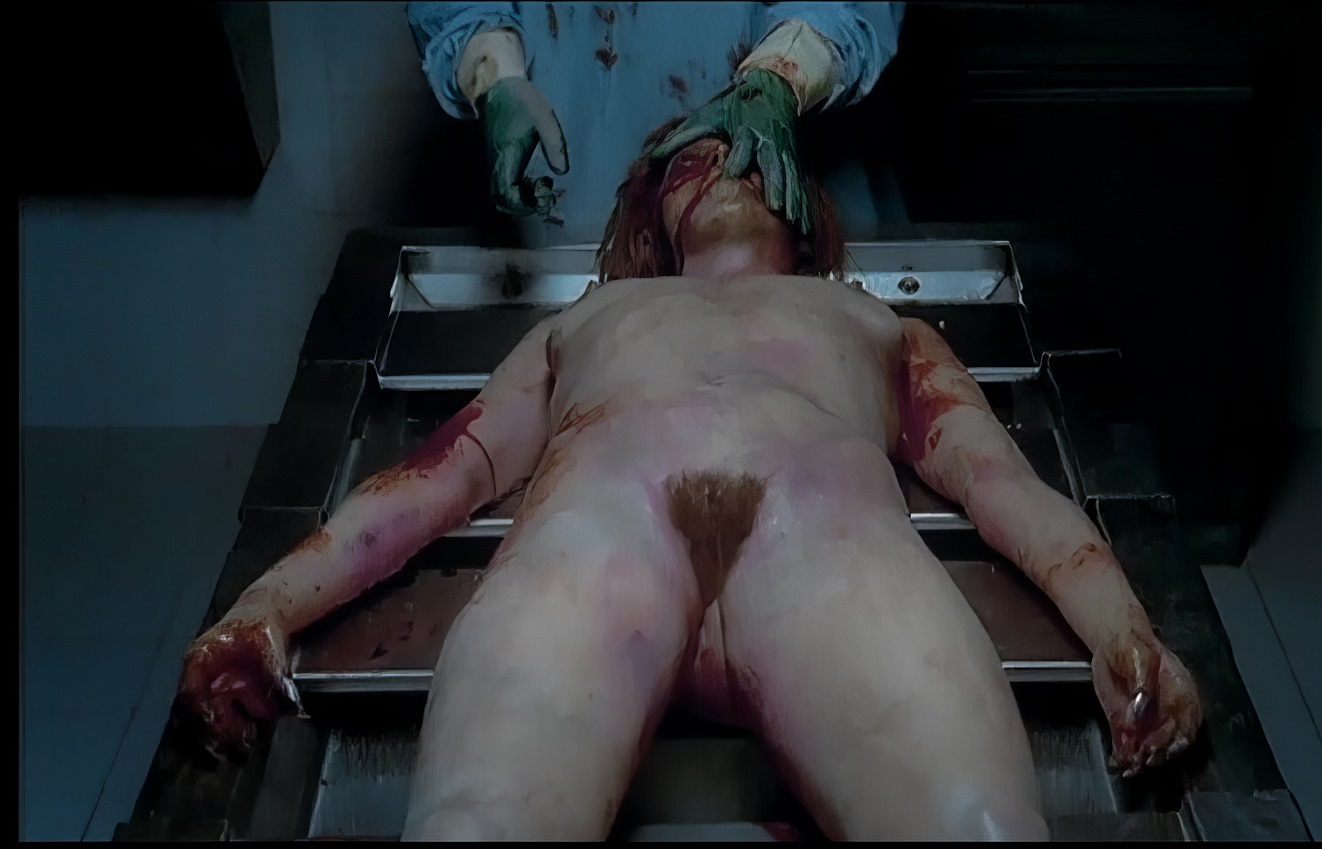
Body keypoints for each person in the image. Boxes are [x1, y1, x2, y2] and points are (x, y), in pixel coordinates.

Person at [177, 111, 1203, 839]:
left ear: (800, 200)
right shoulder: (590, 320)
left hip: (831, 554)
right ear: (651, 223)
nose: (719, 165)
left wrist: (1124, 630)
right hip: (597, 541)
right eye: (688, 163)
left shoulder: (875, 324)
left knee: (979, 829)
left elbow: (1004, 487)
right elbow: (436, 478)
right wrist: (268, 606)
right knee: (477, 828)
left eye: (747, 155)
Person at [405, 1, 905, 243]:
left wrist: (784, 72)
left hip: (775, 220)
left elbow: (846, 9)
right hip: (564, 223)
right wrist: (492, 71)